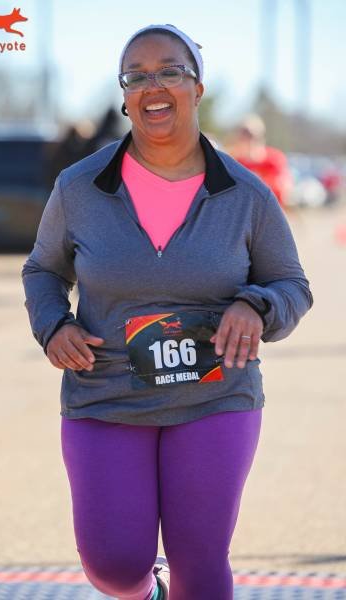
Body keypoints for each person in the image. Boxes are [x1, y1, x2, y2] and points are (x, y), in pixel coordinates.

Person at [21, 24, 313, 600]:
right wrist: (53, 326)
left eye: (170, 71)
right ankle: (146, 591)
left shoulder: (246, 194)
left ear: (197, 87)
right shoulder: (79, 187)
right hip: (106, 394)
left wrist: (257, 306)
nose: (152, 86)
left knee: (201, 564)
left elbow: (291, 285)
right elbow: (43, 270)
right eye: (136, 76)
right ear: (125, 96)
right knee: (113, 565)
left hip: (214, 397)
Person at [226, 113, 293, 209]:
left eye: (252, 135)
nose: (249, 140)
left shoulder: (274, 159)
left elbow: (285, 188)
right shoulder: (234, 163)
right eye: (244, 135)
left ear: (261, 137)